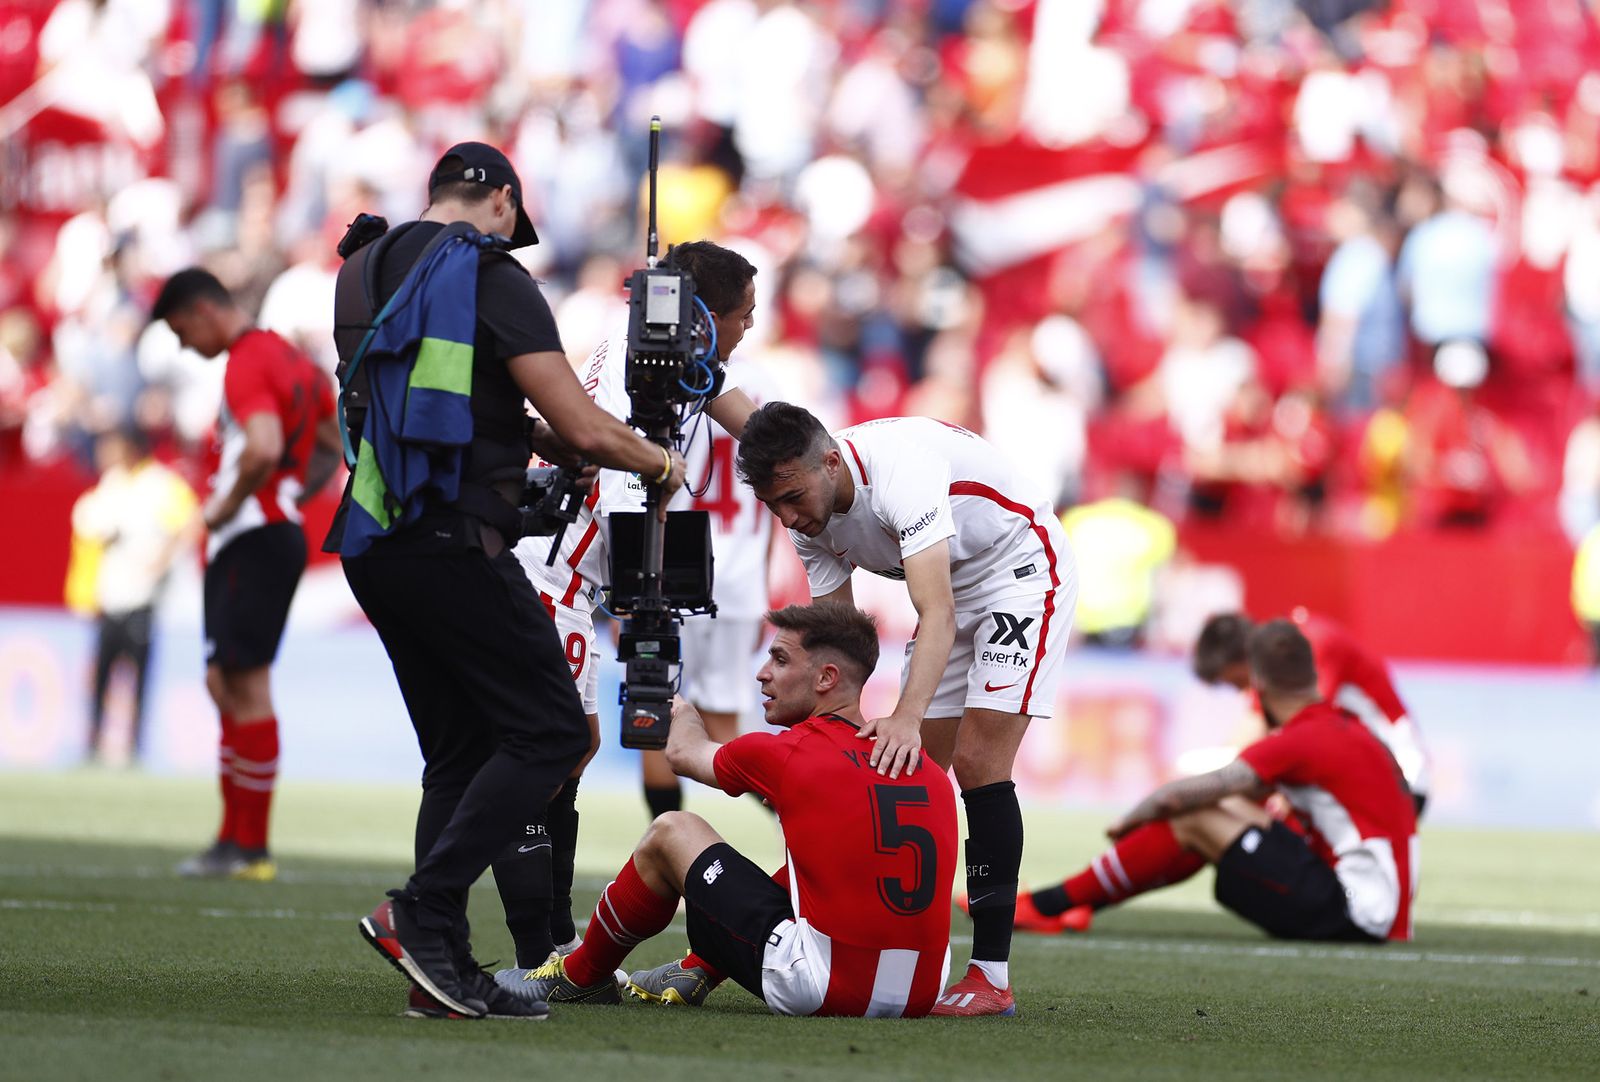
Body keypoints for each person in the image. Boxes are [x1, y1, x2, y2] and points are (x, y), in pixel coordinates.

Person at [336, 142, 689, 1021]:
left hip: (375, 538)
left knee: (457, 755)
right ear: (499, 200)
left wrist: (525, 435)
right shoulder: (491, 275)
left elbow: (425, 400)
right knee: (548, 732)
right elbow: (583, 420)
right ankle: (421, 910)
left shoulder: (363, 267)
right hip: (456, 542)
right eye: (512, 223)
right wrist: (655, 463)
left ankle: (439, 968)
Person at [735, 402, 1079, 1017]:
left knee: (977, 762)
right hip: (949, 593)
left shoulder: (902, 471)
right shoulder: (805, 512)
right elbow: (835, 647)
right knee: (890, 772)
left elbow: (938, 612)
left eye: (792, 497)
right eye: (774, 505)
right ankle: (731, 948)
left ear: (831, 462)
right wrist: (826, 747)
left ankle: (990, 976)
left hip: (1019, 570)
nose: (788, 517)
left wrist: (905, 714)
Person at [489, 239, 760, 985]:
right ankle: (533, 953)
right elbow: (618, 503)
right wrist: (652, 601)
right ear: (706, 316)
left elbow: (756, 423)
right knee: (550, 752)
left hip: (565, 581)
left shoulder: (666, 354)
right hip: (554, 578)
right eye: (743, 316)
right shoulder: (652, 377)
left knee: (570, 750)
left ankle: (553, 943)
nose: (747, 330)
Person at [499, 603, 960, 1018]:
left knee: (671, 832)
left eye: (779, 660)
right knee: (813, 867)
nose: (762, 674)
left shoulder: (790, 753)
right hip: (922, 994)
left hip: (827, 989)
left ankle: (580, 977)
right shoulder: (926, 769)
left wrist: (678, 709)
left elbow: (683, 755)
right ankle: (696, 970)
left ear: (826, 679)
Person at [1015, 620, 1418, 944]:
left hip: (1355, 911)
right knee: (1222, 811)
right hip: (1381, 907)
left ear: (1258, 686)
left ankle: (1050, 904)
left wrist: (1131, 820)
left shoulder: (1298, 740)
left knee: (1194, 814)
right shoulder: (1347, 726)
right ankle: (1077, 903)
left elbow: (1181, 797)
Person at [151, 268, 341, 881]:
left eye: (183, 332)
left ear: (205, 310)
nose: (186, 346)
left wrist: (226, 506)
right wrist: (288, 496)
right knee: (224, 679)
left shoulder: (246, 361)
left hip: (250, 537)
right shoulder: (293, 360)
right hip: (270, 533)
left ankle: (248, 847)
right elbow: (329, 444)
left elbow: (260, 446)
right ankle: (233, 838)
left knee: (246, 685)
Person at [1193, 607, 1430, 815]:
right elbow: (1252, 731)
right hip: (1363, 774)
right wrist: (1210, 777)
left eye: (1236, 682)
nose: (1239, 691)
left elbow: (1310, 728)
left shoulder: (1309, 644)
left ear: (1243, 660)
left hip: (1398, 775)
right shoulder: (1274, 661)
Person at [68, 425, 199, 761]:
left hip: (141, 597)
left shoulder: (160, 485)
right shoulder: (110, 486)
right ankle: (93, 743)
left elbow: (190, 521)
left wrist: (161, 560)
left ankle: (134, 745)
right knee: (102, 675)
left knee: (138, 676)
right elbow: (88, 526)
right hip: (110, 596)